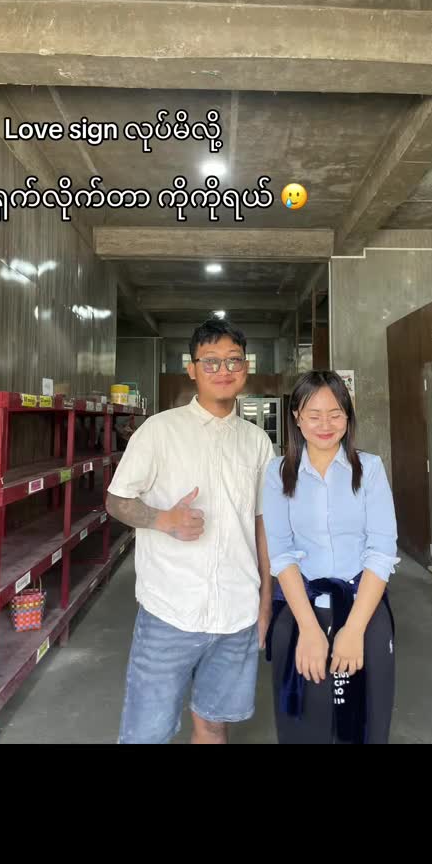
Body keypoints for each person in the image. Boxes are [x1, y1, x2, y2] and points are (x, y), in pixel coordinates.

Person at [106, 318, 275, 744]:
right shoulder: (159, 431)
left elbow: (262, 522)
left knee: (214, 724)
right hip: (170, 611)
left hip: (236, 613)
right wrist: (163, 519)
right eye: (211, 361)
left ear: (246, 367)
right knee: (146, 733)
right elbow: (116, 501)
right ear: (192, 369)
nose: (223, 370)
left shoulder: (258, 442)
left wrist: (265, 602)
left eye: (233, 360)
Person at [262, 371, 399, 744]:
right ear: (296, 416)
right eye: (314, 414)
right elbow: (281, 554)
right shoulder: (277, 473)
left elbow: (381, 551)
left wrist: (353, 631)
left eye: (336, 414)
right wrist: (309, 630)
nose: (325, 425)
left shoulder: (369, 469)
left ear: (348, 416)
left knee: (367, 722)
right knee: (305, 725)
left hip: (362, 607)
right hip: (302, 608)